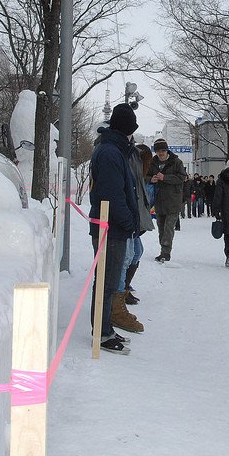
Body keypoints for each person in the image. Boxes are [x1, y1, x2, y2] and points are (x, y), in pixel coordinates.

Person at [89, 103, 142, 354]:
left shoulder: (114, 149)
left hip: (113, 226)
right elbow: (111, 195)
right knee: (107, 283)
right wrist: (129, 222)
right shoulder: (111, 152)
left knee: (108, 281)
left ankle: (105, 328)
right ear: (126, 129)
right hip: (110, 228)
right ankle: (101, 333)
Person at [124, 143, 155, 306]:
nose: (148, 166)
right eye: (147, 163)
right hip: (127, 223)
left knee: (136, 252)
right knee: (131, 254)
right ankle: (122, 291)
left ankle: (124, 287)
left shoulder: (138, 174)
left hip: (132, 223)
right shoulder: (132, 172)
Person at [147, 138, 186, 262]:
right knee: (161, 228)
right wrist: (150, 179)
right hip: (159, 201)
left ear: (167, 150)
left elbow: (181, 177)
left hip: (173, 201)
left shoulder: (176, 162)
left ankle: (165, 252)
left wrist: (165, 177)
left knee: (169, 228)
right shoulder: (152, 163)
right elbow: (145, 176)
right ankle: (163, 250)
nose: (160, 153)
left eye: (163, 150)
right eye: (158, 151)